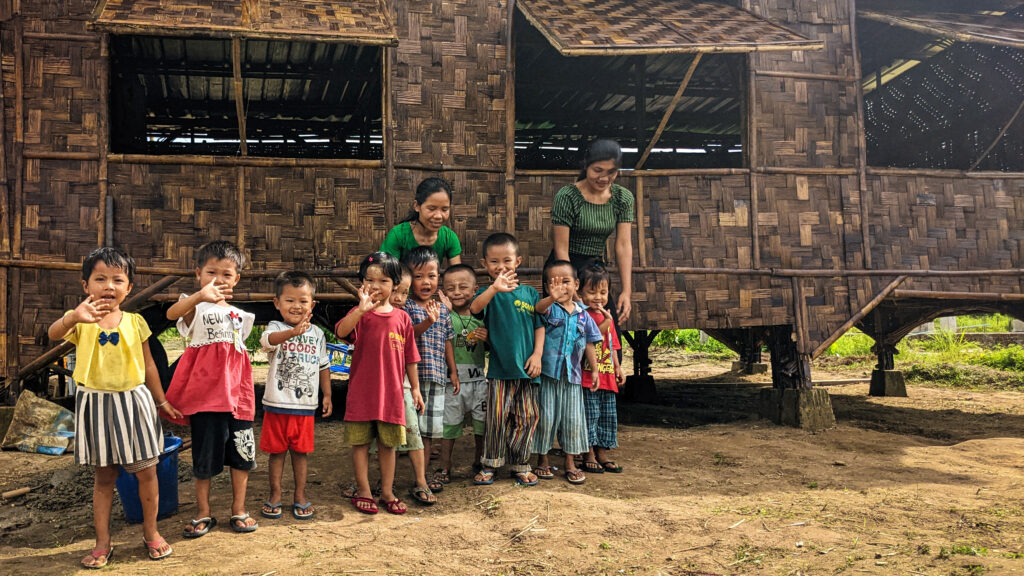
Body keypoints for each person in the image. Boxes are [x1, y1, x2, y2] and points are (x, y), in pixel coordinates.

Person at [47, 247, 182, 568]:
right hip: (94, 403)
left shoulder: (136, 323)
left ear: (129, 287)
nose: (109, 286)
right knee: (104, 476)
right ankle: (102, 543)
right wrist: (72, 317)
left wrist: (161, 399)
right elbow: (52, 334)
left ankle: (151, 533)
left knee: (147, 471)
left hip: (134, 402)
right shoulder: (81, 319)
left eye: (117, 279)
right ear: (85, 285)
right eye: (100, 279)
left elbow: (149, 365)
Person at [164, 240, 259, 536]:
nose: (218, 280)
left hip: (238, 396)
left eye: (226, 274)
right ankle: (203, 511)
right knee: (204, 456)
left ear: (237, 279)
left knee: (242, 454)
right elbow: (171, 314)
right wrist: (197, 296)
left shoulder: (241, 316)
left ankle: (239, 509)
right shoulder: (195, 307)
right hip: (207, 397)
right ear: (197, 274)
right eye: (210, 272)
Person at [334, 252, 420, 515]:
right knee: (360, 445)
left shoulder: (402, 318)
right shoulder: (360, 314)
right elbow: (340, 332)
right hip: (362, 394)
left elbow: (410, 357)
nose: (375, 286)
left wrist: (415, 388)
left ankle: (387, 491)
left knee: (388, 445)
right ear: (362, 283)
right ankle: (363, 490)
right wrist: (360, 311)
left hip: (392, 396)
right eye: (369, 280)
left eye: (383, 281)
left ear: (395, 284)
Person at [470, 233, 544, 486]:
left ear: (518, 261)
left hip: (527, 368)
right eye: (494, 262)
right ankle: (490, 463)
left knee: (528, 417)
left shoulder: (530, 294)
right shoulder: (487, 293)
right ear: (484, 265)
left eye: (507, 261)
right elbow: (475, 309)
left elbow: (539, 326)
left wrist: (537, 355)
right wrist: (493, 288)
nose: (501, 267)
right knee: (497, 418)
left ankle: (521, 463)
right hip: (500, 370)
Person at [258, 271, 333, 521]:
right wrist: (293, 333)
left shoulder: (318, 334)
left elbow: (323, 366)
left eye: (303, 301)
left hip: (305, 407)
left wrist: (327, 395)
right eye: (289, 300)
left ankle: (300, 496)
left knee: (301, 453)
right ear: (277, 303)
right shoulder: (275, 327)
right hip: (276, 405)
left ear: (312, 304)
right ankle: (275, 495)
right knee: (276, 453)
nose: (296, 306)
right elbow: (267, 341)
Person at [531, 260, 602, 485]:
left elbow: (590, 342)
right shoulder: (549, 307)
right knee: (546, 418)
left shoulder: (583, 314)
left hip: (573, 377)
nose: (561, 287)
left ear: (577, 284)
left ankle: (570, 462)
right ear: (547, 287)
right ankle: (542, 460)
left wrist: (596, 370)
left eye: (566, 282)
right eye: (555, 283)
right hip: (549, 375)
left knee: (573, 420)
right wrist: (551, 297)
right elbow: (538, 309)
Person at [550, 138, 636, 323]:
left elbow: (623, 245)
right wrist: (570, 288)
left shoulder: (623, 197)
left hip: (594, 271)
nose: (604, 178)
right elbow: (561, 249)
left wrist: (626, 291)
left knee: (605, 332)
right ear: (586, 165)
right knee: (568, 332)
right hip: (564, 268)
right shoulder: (567, 196)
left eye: (611, 172)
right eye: (598, 170)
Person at [399, 247, 459, 487]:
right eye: (419, 276)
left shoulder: (442, 309)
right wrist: (427, 322)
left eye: (432, 276)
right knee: (408, 430)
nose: (426, 282)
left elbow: (447, 341)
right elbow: (406, 336)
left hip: (436, 377)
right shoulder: (406, 307)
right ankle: (393, 478)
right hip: (411, 379)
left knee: (428, 433)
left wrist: (452, 371)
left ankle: (420, 479)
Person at [439, 264, 488, 479]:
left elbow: (493, 350)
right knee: (449, 426)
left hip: (479, 381)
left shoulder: (483, 319)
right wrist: (444, 312)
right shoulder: (443, 317)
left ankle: (480, 461)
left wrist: (489, 339)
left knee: (481, 425)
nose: (457, 292)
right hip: (453, 382)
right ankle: (444, 466)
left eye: (462, 287)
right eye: (450, 288)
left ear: (475, 289)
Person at [577, 264, 625, 474]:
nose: (598, 297)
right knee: (590, 415)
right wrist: (607, 321)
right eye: (592, 291)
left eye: (603, 292)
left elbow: (612, 344)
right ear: (579, 293)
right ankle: (588, 453)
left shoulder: (607, 316)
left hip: (607, 375)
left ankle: (602, 452)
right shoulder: (582, 314)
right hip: (588, 376)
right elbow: (592, 335)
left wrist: (617, 367)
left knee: (607, 415)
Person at [381, 177, 462, 265]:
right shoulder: (398, 235)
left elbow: (457, 272)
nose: (438, 216)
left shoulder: (449, 237)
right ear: (417, 206)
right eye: (431, 209)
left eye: (444, 209)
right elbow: (383, 267)